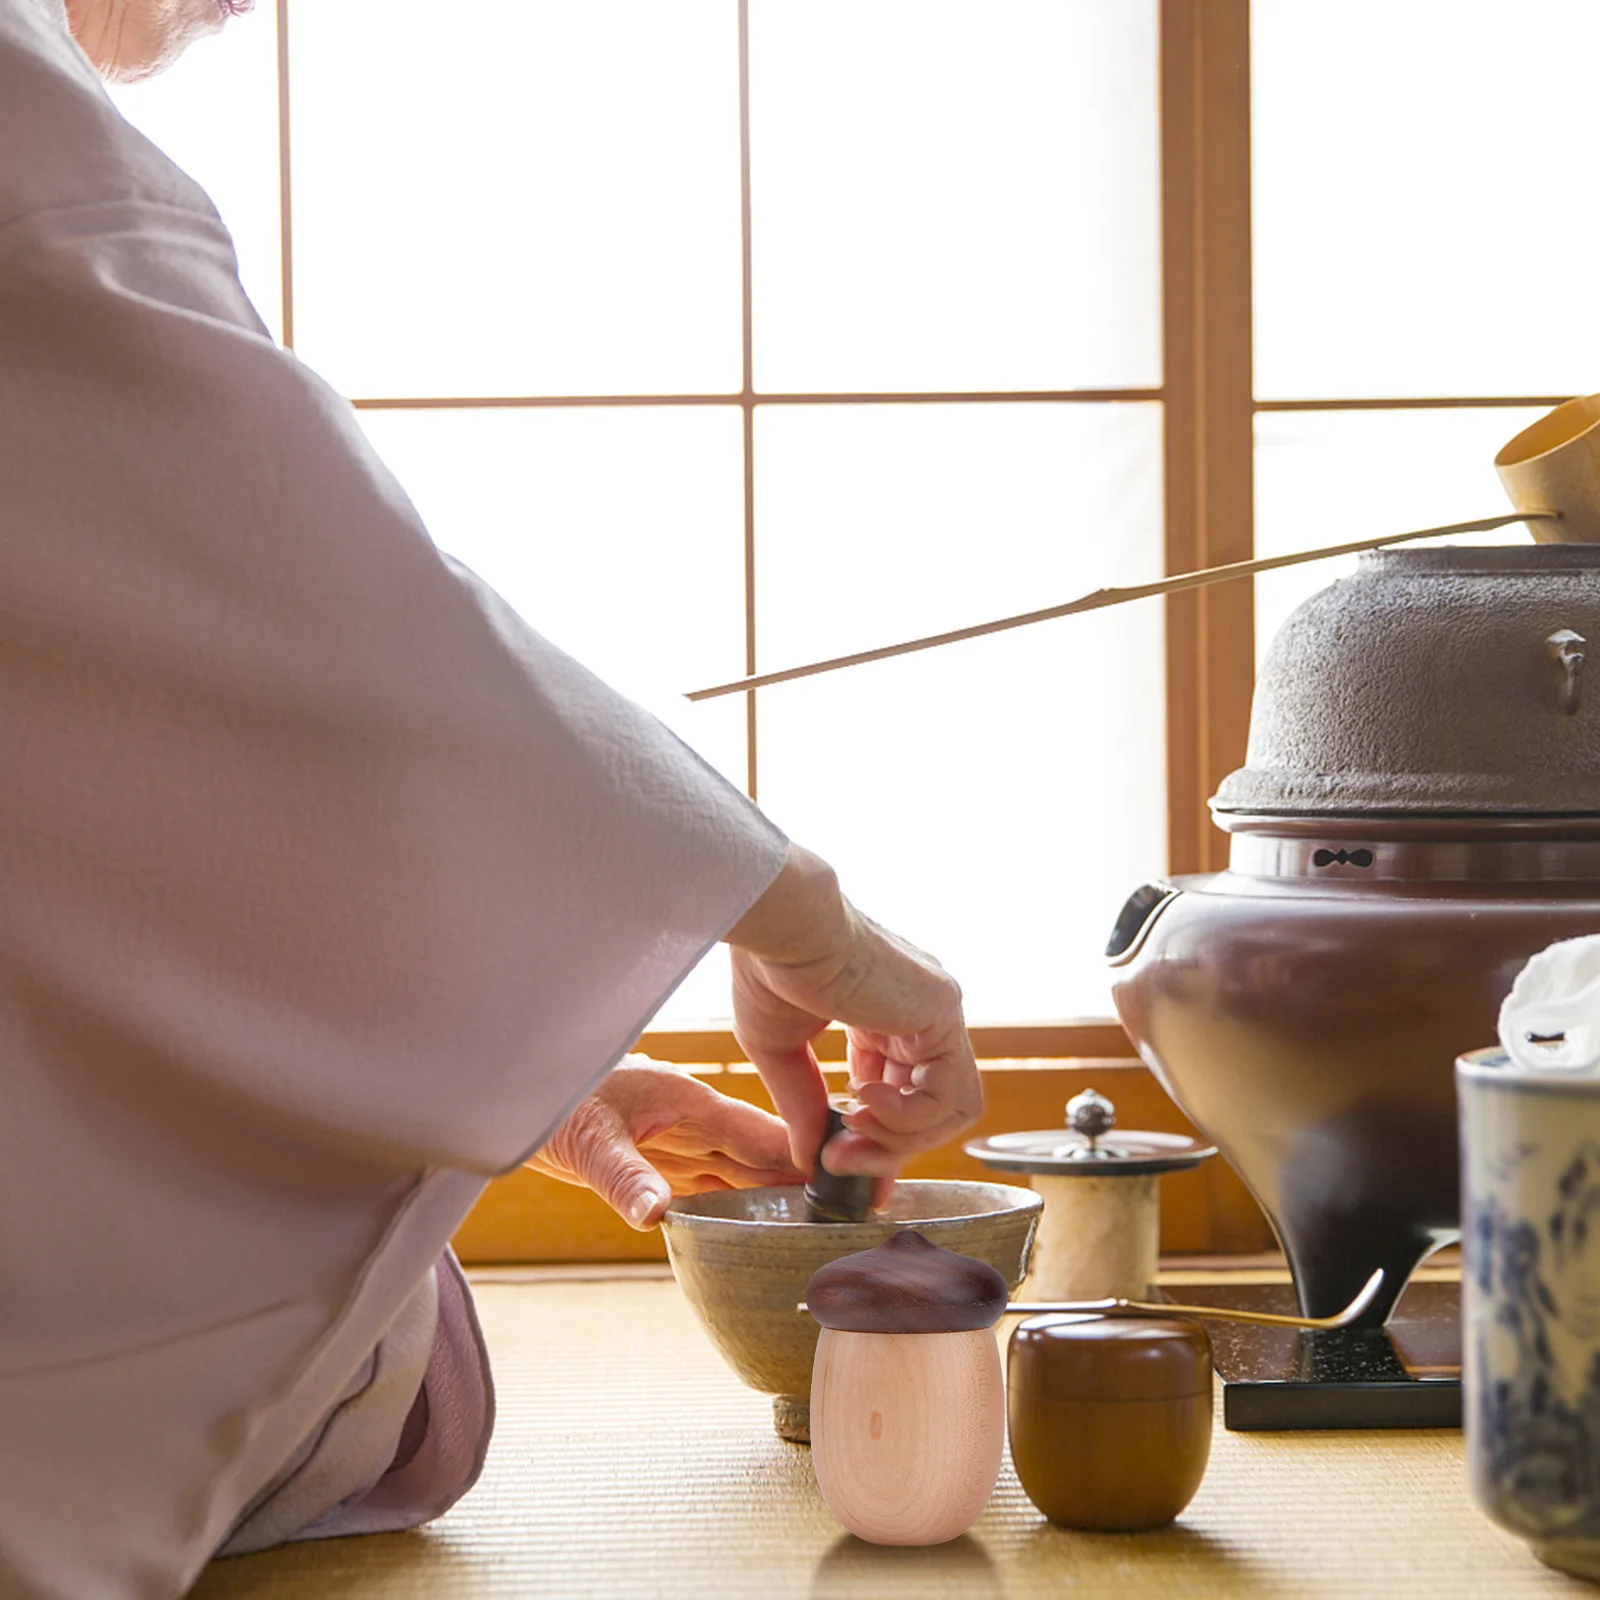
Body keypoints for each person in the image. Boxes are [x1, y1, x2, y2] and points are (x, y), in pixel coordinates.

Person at [0, 1, 985, 1596]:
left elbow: (132, 741)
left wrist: (483, 1056)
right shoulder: (29, 147)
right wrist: (808, 921)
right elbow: (352, 677)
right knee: (406, 1368)